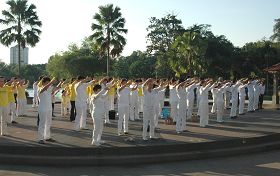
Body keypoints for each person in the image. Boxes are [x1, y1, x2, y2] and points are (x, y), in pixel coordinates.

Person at [37, 77, 63, 144]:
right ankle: (40, 138)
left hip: (49, 108)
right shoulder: (39, 88)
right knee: (42, 123)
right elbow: (44, 88)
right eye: (47, 82)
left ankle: (47, 137)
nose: (48, 83)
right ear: (43, 83)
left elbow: (57, 88)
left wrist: (61, 82)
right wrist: (51, 82)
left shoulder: (49, 88)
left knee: (48, 123)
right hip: (42, 108)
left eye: (49, 82)